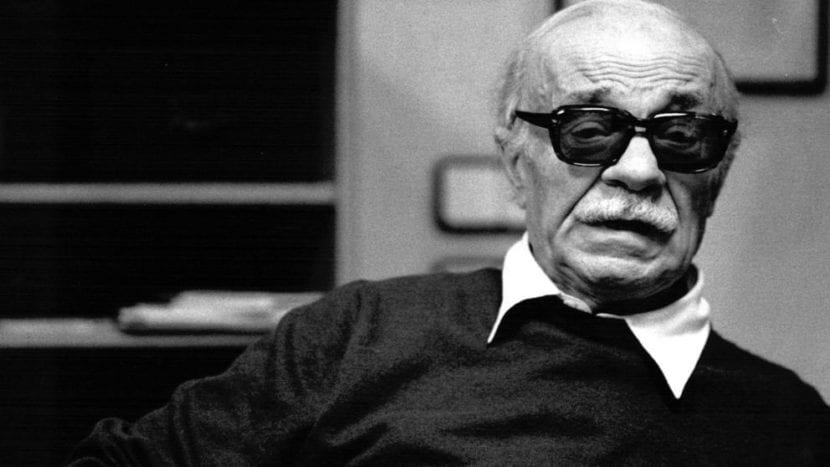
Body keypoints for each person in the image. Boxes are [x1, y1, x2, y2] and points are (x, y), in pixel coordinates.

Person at [70, 0, 828, 464]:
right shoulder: (352, 338)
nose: (637, 171)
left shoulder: (789, 426)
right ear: (517, 160)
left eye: (681, 135)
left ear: (718, 172)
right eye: (589, 129)